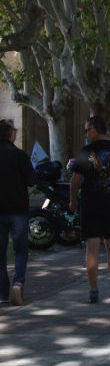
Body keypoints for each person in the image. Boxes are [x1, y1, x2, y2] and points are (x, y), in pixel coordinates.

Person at [69, 116, 110, 303]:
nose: (86, 133)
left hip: (90, 204)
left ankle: (93, 290)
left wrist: (73, 200)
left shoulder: (85, 152)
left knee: (92, 248)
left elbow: (75, 181)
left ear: (96, 129)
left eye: (87, 130)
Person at [0, 119, 34, 306]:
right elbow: (31, 180)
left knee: (1, 254)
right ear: (11, 135)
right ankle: (18, 284)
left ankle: (3, 292)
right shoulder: (20, 155)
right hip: (18, 210)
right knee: (21, 251)